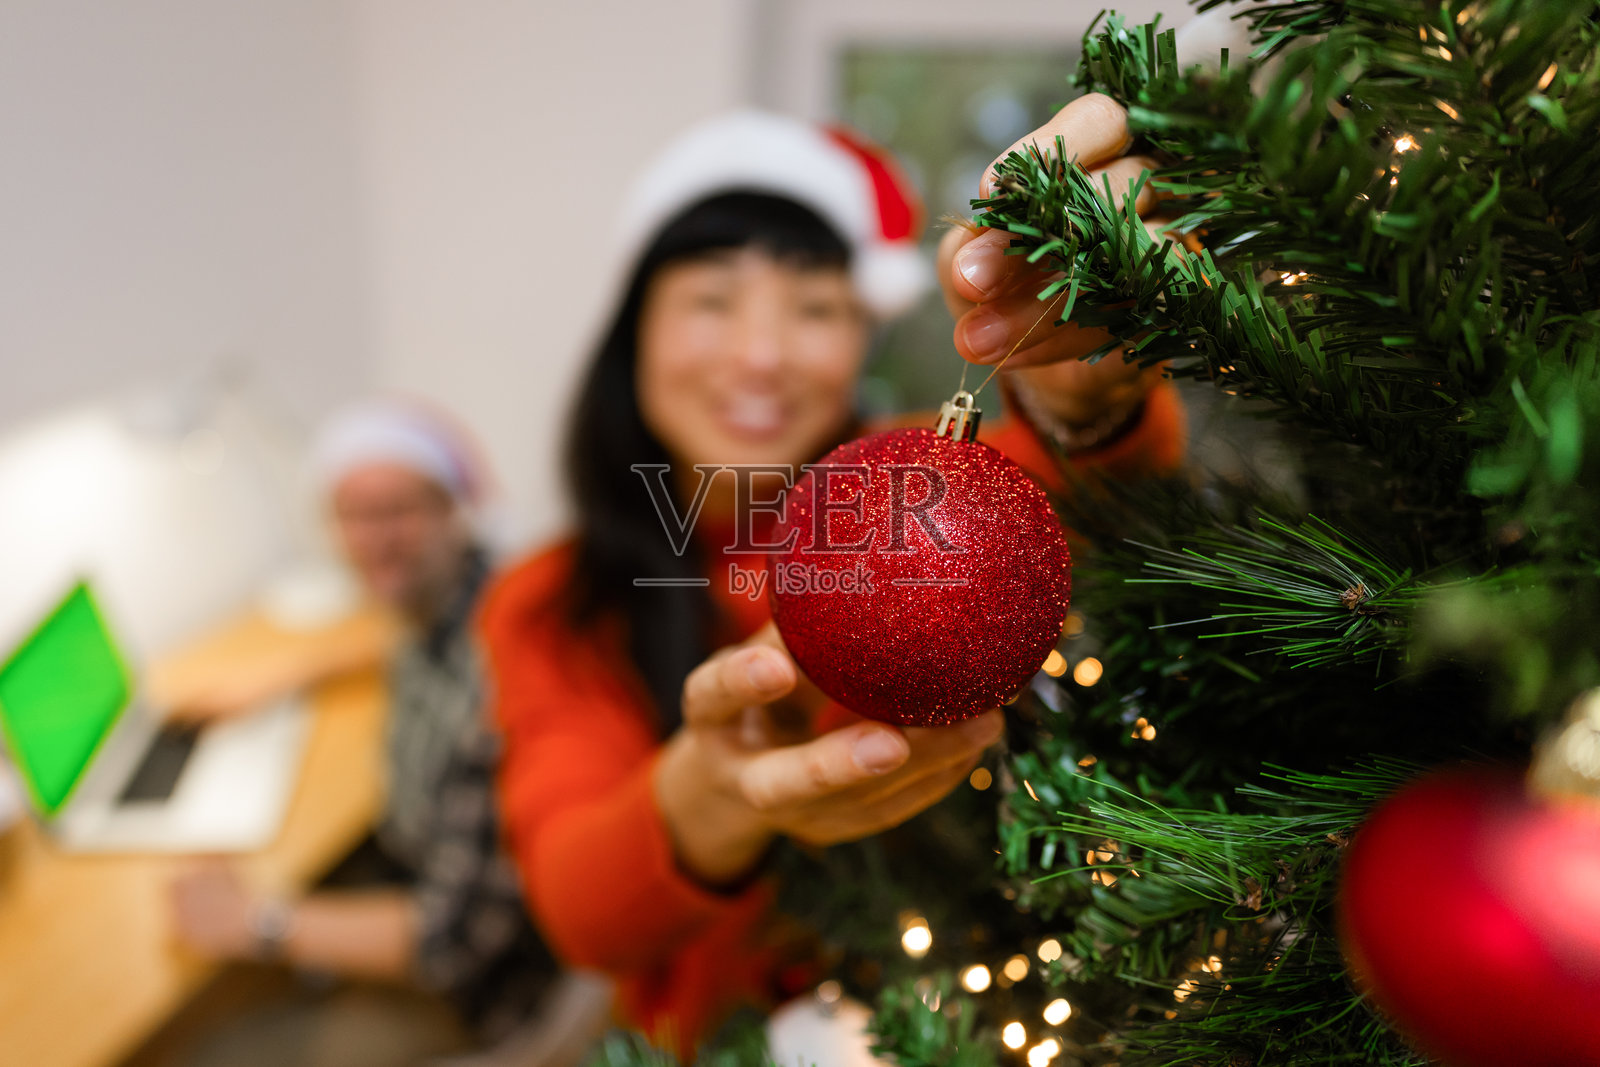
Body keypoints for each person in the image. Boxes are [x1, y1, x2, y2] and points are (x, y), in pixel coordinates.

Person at [479, 100, 1186, 1059]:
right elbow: (579, 911)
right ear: (633, 332)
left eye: (814, 307)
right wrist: (713, 794)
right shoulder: (551, 600)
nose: (762, 354)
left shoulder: (940, 515)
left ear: (861, 340)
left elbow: (1109, 492)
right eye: (712, 300)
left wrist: (1083, 393)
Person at [166, 399, 608, 1067]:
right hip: (415, 878)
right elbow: (400, 641)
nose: (374, 538)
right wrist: (288, 672)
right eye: (352, 514)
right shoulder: (459, 593)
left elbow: (448, 939)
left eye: (399, 510)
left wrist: (254, 922)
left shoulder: (497, 685)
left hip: (483, 993)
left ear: (457, 508)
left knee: (209, 1049)